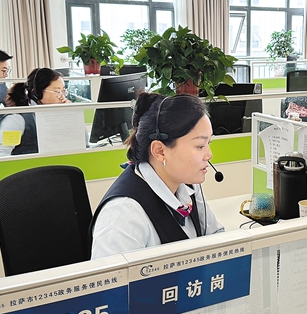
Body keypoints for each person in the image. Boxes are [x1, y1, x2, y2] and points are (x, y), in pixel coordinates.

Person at [90, 92, 224, 257]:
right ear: (160, 151)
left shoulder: (187, 184)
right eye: (200, 146)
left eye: (208, 143)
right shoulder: (122, 214)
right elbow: (115, 274)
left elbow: (216, 237)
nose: (209, 155)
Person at [0, 68, 69, 158]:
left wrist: (71, 115)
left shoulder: (53, 115)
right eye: (57, 91)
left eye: (63, 91)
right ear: (37, 93)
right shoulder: (17, 120)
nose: (62, 97)